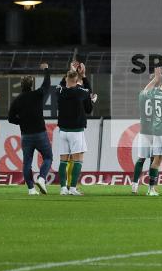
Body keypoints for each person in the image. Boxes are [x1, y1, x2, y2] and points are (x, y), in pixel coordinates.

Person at [7, 63, 53, 195]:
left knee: (27, 162)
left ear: (21, 85)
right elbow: (47, 84)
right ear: (31, 85)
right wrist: (46, 70)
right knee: (48, 157)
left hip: (26, 135)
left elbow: (10, 118)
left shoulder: (17, 100)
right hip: (40, 133)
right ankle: (42, 178)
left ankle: (31, 189)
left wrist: (21, 122)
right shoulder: (37, 94)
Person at [56, 64, 97, 196]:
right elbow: (89, 92)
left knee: (63, 160)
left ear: (66, 78)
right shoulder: (80, 91)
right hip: (76, 131)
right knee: (78, 159)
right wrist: (83, 76)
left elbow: (62, 83)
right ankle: (73, 188)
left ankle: (63, 188)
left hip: (63, 131)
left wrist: (71, 72)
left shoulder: (59, 90)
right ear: (76, 80)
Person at [131, 69, 162, 195]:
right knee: (154, 160)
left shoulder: (142, 94)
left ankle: (134, 185)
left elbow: (145, 91)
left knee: (141, 158)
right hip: (156, 130)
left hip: (144, 130)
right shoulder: (161, 95)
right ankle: (151, 188)